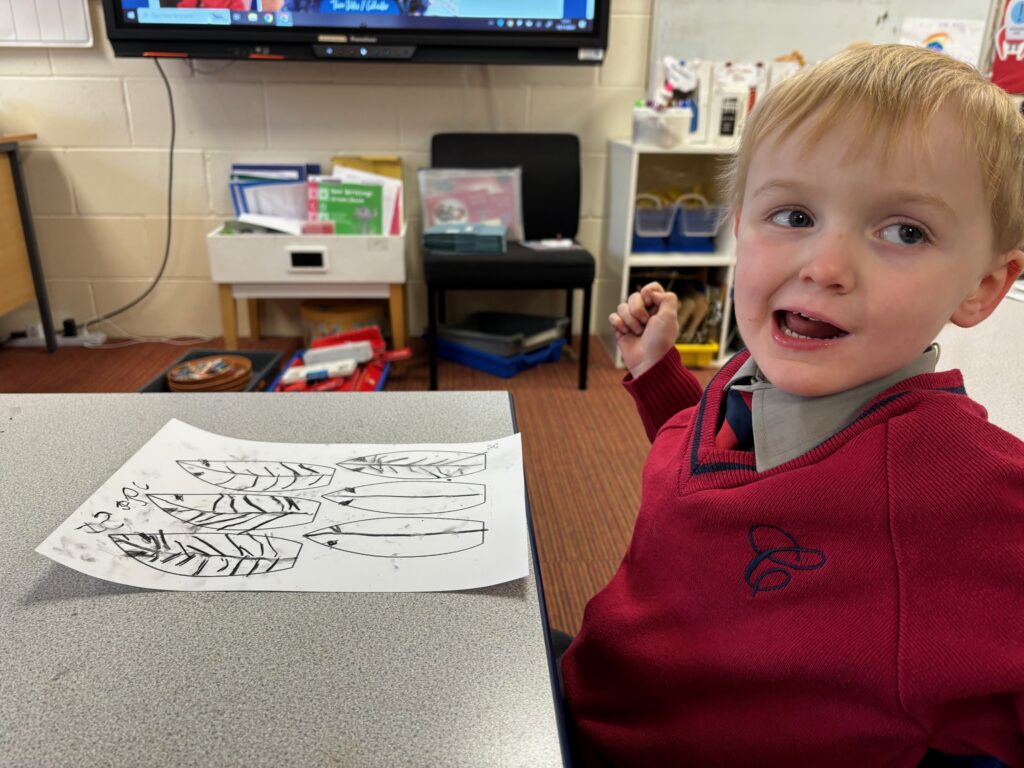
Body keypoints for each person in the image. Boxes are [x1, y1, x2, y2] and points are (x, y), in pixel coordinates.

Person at [559, 43, 1024, 766]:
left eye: (905, 231)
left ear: (983, 287)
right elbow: (719, 470)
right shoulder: (761, 368)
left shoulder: (965, 488)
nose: (826, 267)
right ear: (740, 222)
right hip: (589, 694)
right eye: (795, 215)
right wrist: (656, 376)